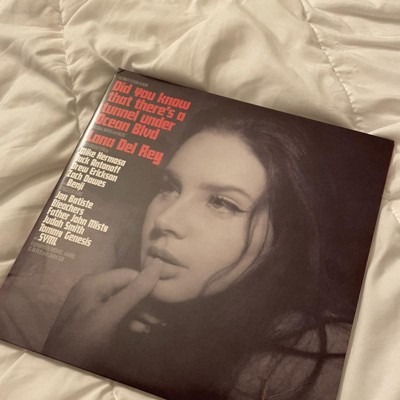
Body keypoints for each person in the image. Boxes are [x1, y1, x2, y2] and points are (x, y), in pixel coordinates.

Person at [43, 108, 353, 400]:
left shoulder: (321, 362)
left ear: (284, 238)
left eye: (221, 202)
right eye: (169, 187)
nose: (165, 220)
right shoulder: (115, 322)